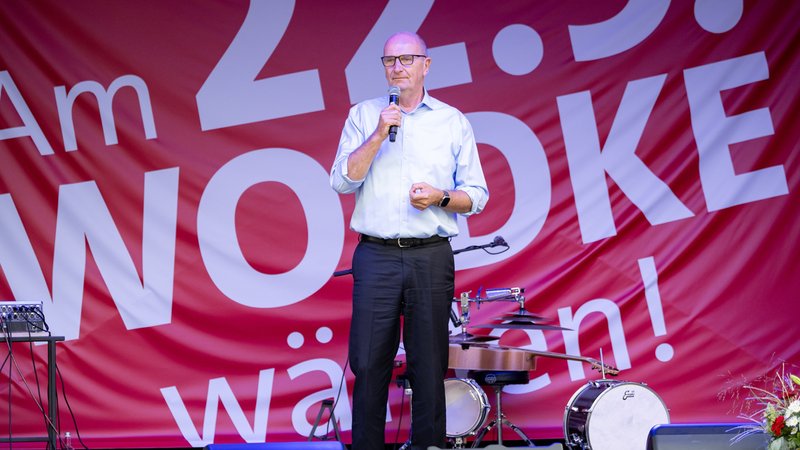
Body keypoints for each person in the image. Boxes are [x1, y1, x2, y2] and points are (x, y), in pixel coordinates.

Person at [330, 31, 489, 450]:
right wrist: (378, 134)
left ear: (426, 65)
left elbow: (477, 196)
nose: (397, 68)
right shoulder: (364, 115)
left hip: (429, 255)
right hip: (376, 255)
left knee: (429, 365)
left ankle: (428, 446)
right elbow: (342, 181)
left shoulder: (452, 121)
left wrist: (439, 197)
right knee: (368, 363)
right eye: (390, 61)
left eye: (407, 59)